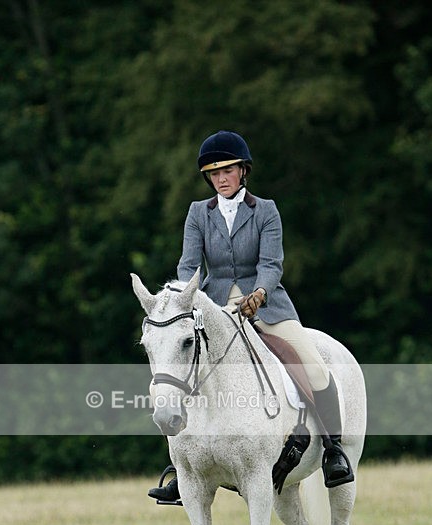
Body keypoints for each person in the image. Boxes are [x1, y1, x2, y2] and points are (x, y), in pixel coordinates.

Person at [149, 130, 353, 503]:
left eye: (227, 170)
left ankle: (333, 450)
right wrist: (181, 303)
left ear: (243, 171)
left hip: (267, 305)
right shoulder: (198, 213)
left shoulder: (266, 210)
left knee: (311, 363)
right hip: (212, 309)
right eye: (213, 173)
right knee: (180, 370)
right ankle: (183, 470)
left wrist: (259, 293)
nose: (221, 178)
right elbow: (188, 266)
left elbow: (272, 264)